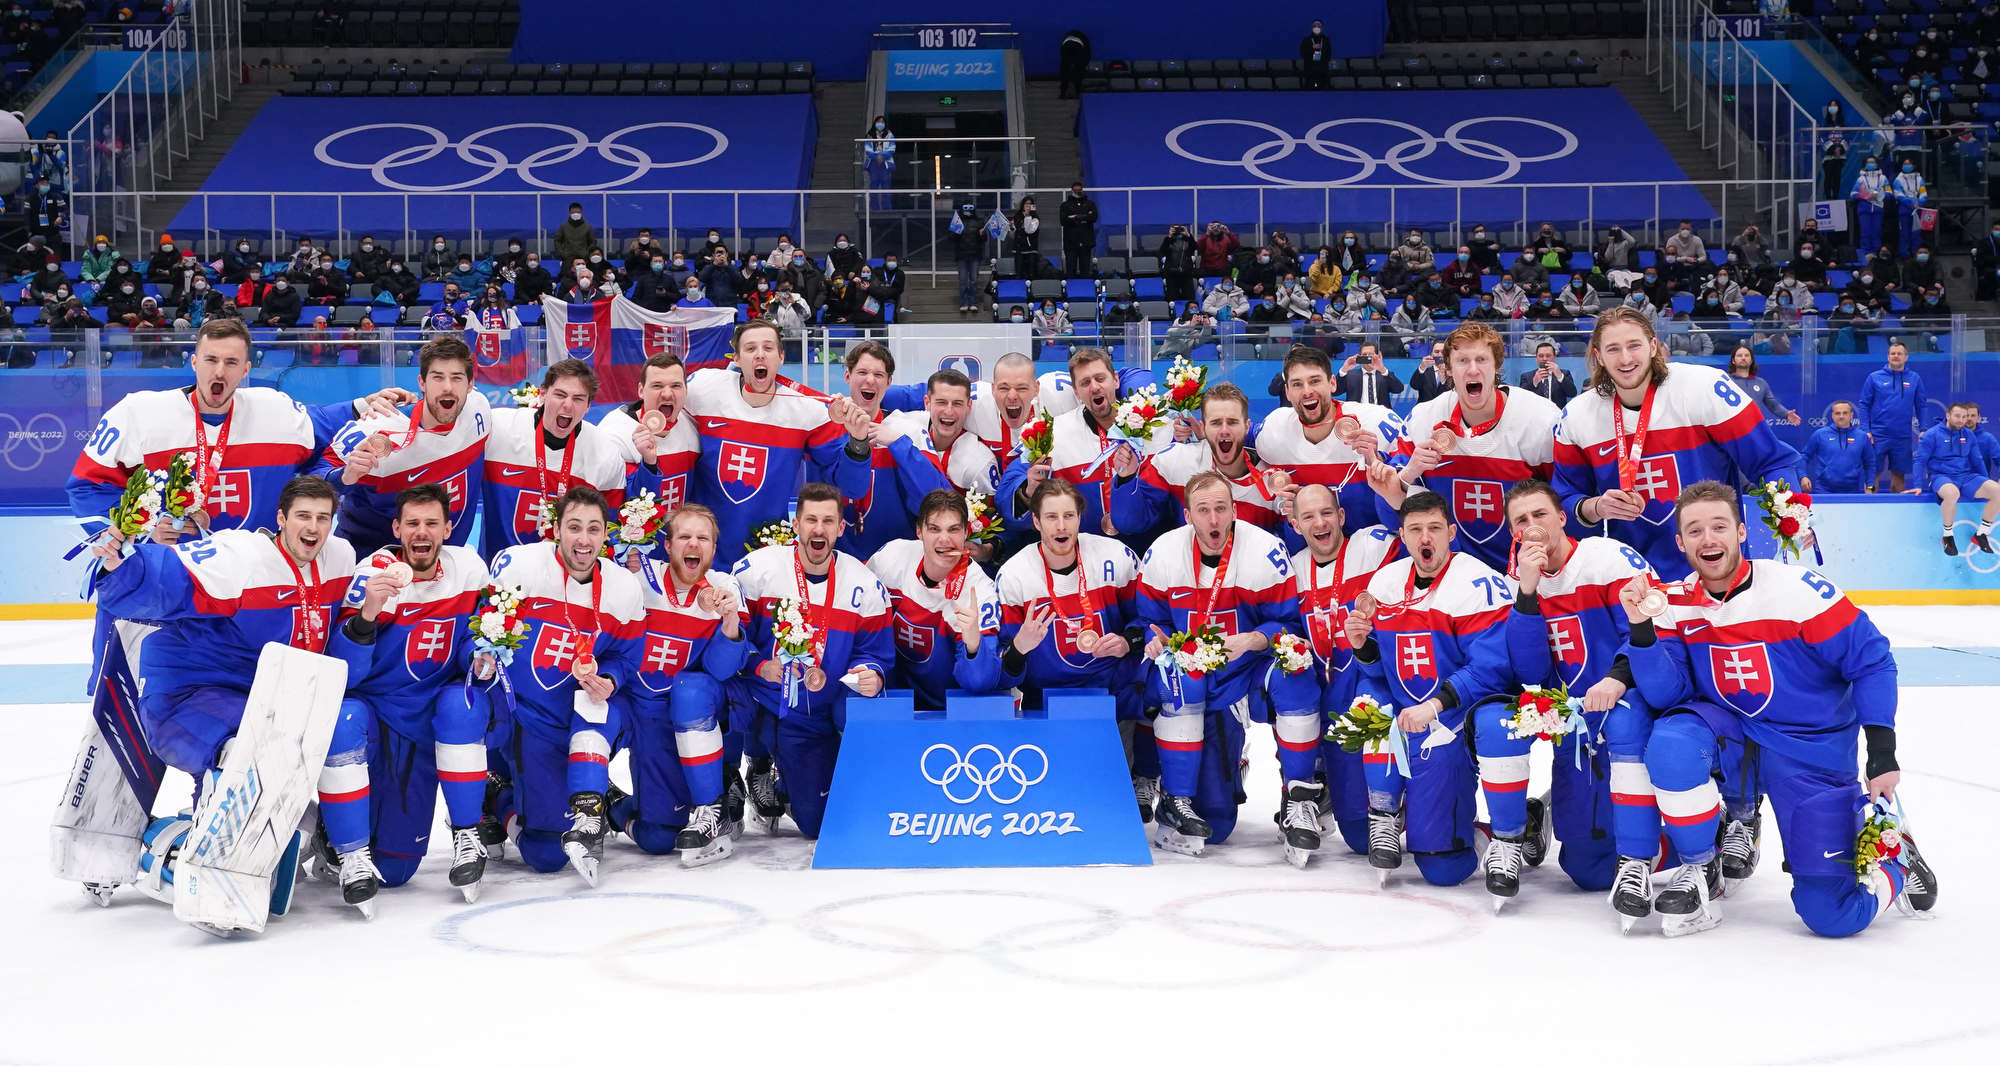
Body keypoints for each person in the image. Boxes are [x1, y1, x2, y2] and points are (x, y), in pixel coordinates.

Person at [1621, 481, 1937, 937]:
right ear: (1679, 542)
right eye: (1694, 530)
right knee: (1672, 739)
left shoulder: (1798, 592)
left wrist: (1882, 752)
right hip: (1735, 738)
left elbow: (1872, 661)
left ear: (1742, 532)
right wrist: (1642, 630)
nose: (1708, 539)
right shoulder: (1671, 601)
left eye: (1719, 526)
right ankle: (1699, 867)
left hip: (1808, 752)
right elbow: (1668, 696)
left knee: (1831, 913)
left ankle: (1896, 859)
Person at [87, 475, 363, 928]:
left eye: (322, 518)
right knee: (245, 749)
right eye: (302, 517)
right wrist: (121, 564)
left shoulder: (340, 558)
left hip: (256, 699)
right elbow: (168, 576)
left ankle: (228, 837)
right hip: (185, 697)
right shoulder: (243, 556)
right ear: (280, 519)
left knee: (279, 753)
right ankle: (152, 846)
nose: (312, 527)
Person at [1475, 481, 1658, 914]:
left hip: (1628, 700)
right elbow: (1531, 671)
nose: (1532, 526)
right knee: (1587, 871)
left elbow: (1653, 627)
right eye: (1521, 520)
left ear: (1561, 518)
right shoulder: (1516, 581)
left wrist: (1617, 677)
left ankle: (1700, 832)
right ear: (1514, 534)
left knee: (1629, 737)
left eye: (1540, 515)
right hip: (1573, 723)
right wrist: (1528, 593)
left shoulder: (1607, 557)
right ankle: (1542, 813)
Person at [315, 483, 490, 910]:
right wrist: (368, 613)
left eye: (432, 523)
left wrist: (479, 656)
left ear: (449, 529)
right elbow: (345, 672)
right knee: (344, 716)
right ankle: (349, 851)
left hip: (426, 720)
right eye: (412, 523)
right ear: (397, 528)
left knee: (395, 871)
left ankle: (470, 835)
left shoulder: (468, 568)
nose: (422, 532)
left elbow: (472, 638)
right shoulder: (372, 573)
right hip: (375, 717)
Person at [473, 487, 644, 885]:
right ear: (555, 530)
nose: (583, 540)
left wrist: (610, 679)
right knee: (545, 854)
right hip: (530, 719)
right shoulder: (521, 566)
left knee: (603, 705)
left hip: (582, 715)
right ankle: (495, 794)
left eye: (594, 529)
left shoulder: (623, 587)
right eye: (574, 528)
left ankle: (592, 799)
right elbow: (485, 632)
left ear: (606, 535)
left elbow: (627, 657)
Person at [1552, 307, 1801, 579]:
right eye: (1613, 349)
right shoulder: (1577, 416)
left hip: (1717, 575)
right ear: (1598, 357)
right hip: (1632, 584)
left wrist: (1792, 517)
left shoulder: (1704, 387)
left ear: (1652, 346)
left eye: (1634, 345)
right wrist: (1596, 507)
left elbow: (1771, 461)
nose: (1625, 358)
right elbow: (1564, 502)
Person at [1346, 491, 1513, 887]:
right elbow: (1380, 669)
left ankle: (1497, 834)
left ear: (1451, 532)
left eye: (1435, 528)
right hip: (1406, 710)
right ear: (1402, 535)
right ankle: (1384, 814)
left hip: (1455, 715)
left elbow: (1492, 671)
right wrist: (1362, 646)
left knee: (1444, 870)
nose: (1426, 538)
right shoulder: (1385, 582)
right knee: (1367, 705)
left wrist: (1436, 706)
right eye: (1416, 529)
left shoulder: (1477, 581)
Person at [1135, 472, 1304, 856]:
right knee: (1217, 825)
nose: (1214, 520)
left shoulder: (1264, 550)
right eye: (1204, 510)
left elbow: (1290, 624)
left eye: (1221, 509)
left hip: (1246, 669)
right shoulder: (1164, 552)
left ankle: (1300, 797)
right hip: (1191, 676)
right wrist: (1153, 639)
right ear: (1187, 515)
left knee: (1297, 674)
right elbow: (1147, 619)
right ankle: (1176, 801)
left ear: (1234, 510)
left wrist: (1251, 640)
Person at [731, 482, 893, 840]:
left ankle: (788, 778)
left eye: (828, 521)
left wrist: (873, 674)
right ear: (797, 525)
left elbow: (875, 651)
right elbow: (731, 639)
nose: (818, 529)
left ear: (840, 528)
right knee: (723, 691)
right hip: (764, 700)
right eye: (811, 520)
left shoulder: (863, 584)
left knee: (818, 824)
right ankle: (751, 763)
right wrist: (759, 665)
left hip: (814, 712)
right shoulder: (757, 569)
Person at [612, 504, 749, 863]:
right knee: (656, 837)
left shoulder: (724, 587)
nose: (694, 544)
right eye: (685, 536)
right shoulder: (637, 578)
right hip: (635, 707)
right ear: (668, 545)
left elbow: (720, 671)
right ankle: (609, 803)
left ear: (714, 550)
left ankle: (711, 806)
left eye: (703, 538)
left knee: (691, 690)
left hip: (679, 713)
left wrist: (729, 622)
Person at [1373, 322, 1561, 571]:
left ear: (1497, 367)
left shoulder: (1540, 418)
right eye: (1462, 361)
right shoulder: (1423, 418)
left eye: (1482, 360)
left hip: (1528, 569)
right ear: (1448, 369)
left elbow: (1562, 505)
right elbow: (1392, 518)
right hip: (1451, 576)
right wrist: (1409, 473)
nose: (1473, 370)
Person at [683, 322, 872, 567]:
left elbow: (852, 488)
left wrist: (858, 441)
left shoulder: (807, 411)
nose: (760, 354)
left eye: (768, 348)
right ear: (737, 359)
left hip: (767, 556)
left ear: (781, 357)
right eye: (750, 348)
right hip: (700, 550)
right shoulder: (703, 389)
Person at [314, 336, 491, 554]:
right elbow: (313, 481)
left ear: (471, 384)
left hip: (446, 566)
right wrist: (343, 476)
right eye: (437, 377)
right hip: (373, 566)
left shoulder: (479, 410)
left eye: (457, 378)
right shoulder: (377, 428)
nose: (447, 388)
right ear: (421, 382)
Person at [997, 347, 1174, 541]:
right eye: (1085, 382)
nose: (1094, 387)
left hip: (1153, 548)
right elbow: (1008, 489)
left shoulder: (1158, 424)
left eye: (1100, 378)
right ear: (1076, 392)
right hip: (1086, 557)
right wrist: (1027, 491)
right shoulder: (1055, 432)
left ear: (1116, 380)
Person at [477, 358, 627, 560]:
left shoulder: (604, 453)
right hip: (498, 572)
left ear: (588, 406)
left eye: (578, 398)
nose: (567, 405)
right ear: (543, 394)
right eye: (560, 395)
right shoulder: (500, 428)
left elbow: (609, 528)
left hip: (566, 578)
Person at [868, 490, 1004, 709]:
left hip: (949, 709)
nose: (944, 539)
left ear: (966, 533)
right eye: (934, 529)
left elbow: (981, 682)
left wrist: (973, 645)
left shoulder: (980, 592)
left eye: (954, 529)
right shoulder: (890, 558)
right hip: (892, 695)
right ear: (919, 531)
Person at [1111, 383, 1289, 539]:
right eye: (1216, 423)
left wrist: (1293, 513)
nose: (1224, 430)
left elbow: (1294, 545)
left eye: (1233, 422)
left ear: (1247, 427)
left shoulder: (1273, 481)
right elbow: (1130, 523)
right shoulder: (1176, 460)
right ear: (1203, 427)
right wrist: (1127, 478)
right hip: (1189, 573)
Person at [1914, 401, 2000, 555]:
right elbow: (1920, 460)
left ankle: (1982, 534)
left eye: (1964, 417)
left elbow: (1978, 460)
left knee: (1997, 490)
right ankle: (1948, 536)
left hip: (1966, 476)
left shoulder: (1969, 435)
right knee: (1952, 493)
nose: (1961, 420)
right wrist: (1918, 484)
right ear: (1948, 415)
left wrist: (1985, 481)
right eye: (1957, 416)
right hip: (1941, 476)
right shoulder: (1932, 435)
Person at [1854, 341, 1928, 493]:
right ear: (1888, 356)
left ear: (1906, 357)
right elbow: (1864, 404)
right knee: (1872, 475)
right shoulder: (1874, 377)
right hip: (1877, 434)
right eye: (1892, 353)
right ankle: (1869, 508)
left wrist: (1923, 428)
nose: (1896, 356)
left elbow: (1921, 406)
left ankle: (1898, 513)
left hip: (1902, 436)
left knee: (1899, 477)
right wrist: (1865, 430)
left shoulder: (1914, 378)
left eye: (1899, 353)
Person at [1801, 401, 1878, 495]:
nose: (1841, 416)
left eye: (1845, 413)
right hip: (1823, 491)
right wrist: (1803, 476)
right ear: (1832, 415)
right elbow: (1804, 456)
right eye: (1838, 413)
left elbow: (1870, 464)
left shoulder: (1862, 436)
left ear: (1851, 415)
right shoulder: (1820, 434)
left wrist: (1870, 486)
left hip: (1852, 492)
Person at [1726, 346, 1802, 428]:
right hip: (1732, 429)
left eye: (1747, 355)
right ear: (1733, 360)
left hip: (1755, 429)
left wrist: (1786, 414)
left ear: (1751, 360)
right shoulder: (1726, 381)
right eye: (1739, 355)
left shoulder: (1761, 383)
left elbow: (1773, 405)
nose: (1743, 358)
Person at [1851, 156, 1889, 260]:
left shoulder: (1883, 178)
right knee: (1865, 232)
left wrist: (1881, 195)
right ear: (1865, 165)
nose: (1871, 164)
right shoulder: (1861, 179)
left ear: (1877, 164)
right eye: (1868, 163)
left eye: (1873, 162)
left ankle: (1877, 253)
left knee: (1877, 232)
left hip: (1878, 208)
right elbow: (1853, 194)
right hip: (1864, 209)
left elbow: (1889, 192)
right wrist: (1866, 196)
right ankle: (1865, 254)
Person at [1336, 346, 1403, 406]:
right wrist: (1343, 370)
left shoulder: (1384, 374)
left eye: (1371, 354)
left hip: (1380, 416)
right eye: (1364, 354)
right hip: (1357, 416)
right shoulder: (1350, 375)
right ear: (1359, 357)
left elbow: (1398, 389)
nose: (1367, 357)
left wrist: (1383, 370)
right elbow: (1336, 392)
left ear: (1377, 356)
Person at [1891, 161, 1929, 259]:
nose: (1906, 166)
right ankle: (1905, 255)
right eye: (1904, 164)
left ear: (1913, 165)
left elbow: (1923, 193)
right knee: (1904, 232)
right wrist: (1910, 203)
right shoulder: (1898, 180)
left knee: (1917, 233)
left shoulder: (1919, 179)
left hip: (1917, 209)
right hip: (1905, 208)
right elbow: (1898, 194)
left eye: (1909, 164)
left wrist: (1920, 202)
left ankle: (1916, 254)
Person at [1058, 182, 1098, 278]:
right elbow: (1063, 221)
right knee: (1070, 270)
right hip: (1070, 242)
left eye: (1079, 189)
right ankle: (1070, 290)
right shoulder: (1065, 205)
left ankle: (1085, 289)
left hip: (1086, 242)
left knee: (1085, 271)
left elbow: (1093, 217)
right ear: (1072, 190)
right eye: (1075, 190)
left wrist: (1076, 217)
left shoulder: (1090, 203)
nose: (1077, 191)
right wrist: (1084, 217)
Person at [1520, 341, 1577, 406]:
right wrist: (1534, 383)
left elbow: (1572, 393)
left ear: (1554, 357)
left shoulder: (1565, 373)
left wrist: (1560, 377)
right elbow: (1521, 397)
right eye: (1541, 356)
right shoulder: (1526, 376)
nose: (1544, 359)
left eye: (1548, 356)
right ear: (1536, 358)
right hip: (1536, 414)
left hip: (1557, 414)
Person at [1158, 223, 1199, 304]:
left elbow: (1195, 247)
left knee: (1189, 296)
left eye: (1179, 229)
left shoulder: (1187, 239)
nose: (1177, 231)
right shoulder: (1168, 240)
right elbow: (1162, 251)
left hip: (1186, 273)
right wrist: (1169, 236)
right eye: (1174, 229)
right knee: (1172, 297)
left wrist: (1188, 234)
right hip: (1171, 273)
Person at [1300, 18, 1332, 89]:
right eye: (1315, 26)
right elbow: (1302, 53)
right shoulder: (1306, 40)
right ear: (1312, 27)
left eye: (1318, 26)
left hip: (1323, 70)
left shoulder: (1326, 40)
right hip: (1310, 70)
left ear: (1322, 28)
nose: (1316, 27)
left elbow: (1329, 54)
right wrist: (1312, 49)